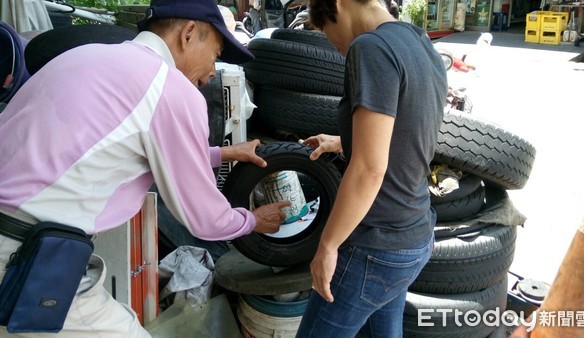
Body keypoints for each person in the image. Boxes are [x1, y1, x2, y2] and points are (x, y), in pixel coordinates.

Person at [0, 0, 290, 336]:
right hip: (24, 256)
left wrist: (223, 154)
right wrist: (253, 220)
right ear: (189, 33)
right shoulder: (169, 87)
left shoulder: (85, 56)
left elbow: (113, 144)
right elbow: (204, 219)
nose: (213, 69)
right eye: (215, 52)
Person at [295, 0, 448, 337]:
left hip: (374, 248)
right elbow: (407, 131)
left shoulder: (370, 47)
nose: (337, 49)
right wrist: (341, 141)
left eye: (331, 37)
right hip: (415, 236)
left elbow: (369, 169)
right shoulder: (421, 42)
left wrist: (328, 246)